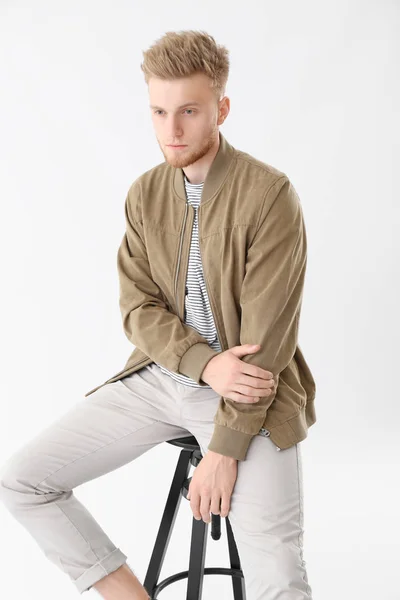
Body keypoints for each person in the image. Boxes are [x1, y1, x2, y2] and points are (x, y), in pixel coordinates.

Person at [0, 30, 316, 599]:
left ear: (221, 109)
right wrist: (201, 363)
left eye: (189, 112)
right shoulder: (145, 193)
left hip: (252, 394)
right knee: (23, 480)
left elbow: (266, 344)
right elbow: (137, 308)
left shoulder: (269, 194)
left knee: (280, 577)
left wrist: (223, 449)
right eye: (160, 112)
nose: (171, 130)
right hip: (159, 380)